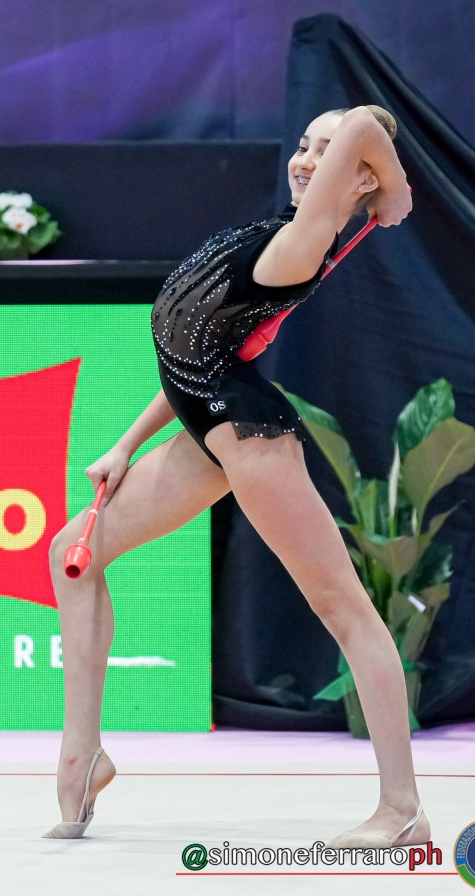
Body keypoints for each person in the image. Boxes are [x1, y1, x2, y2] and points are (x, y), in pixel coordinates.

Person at [42, 105, 428, 848]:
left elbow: (367, 123)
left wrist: (396, 189)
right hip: (208, 430)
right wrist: (125, 445)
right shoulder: (276, 233)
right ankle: (83, 754)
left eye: (329, 151)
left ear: (360, 177)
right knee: (71, 555)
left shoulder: (300, 246)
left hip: (252, 442)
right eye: (305, 145)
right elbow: (196, 355)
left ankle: (402, 808)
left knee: (345, 610)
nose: (307, 159)